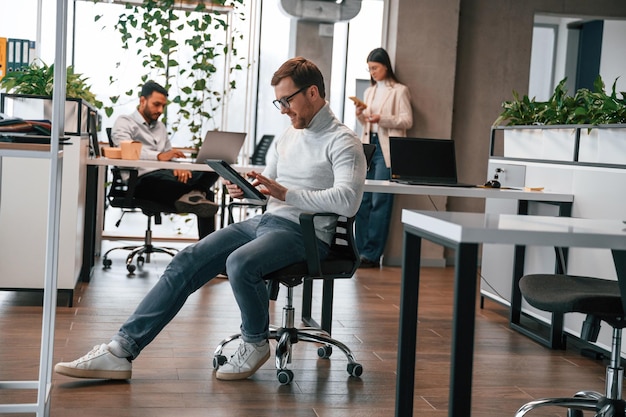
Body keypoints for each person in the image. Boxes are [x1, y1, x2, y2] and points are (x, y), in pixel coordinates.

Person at [54, 57, 367, 381]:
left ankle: (255, 342)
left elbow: (347, 201)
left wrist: (286, 194)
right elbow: (272, 189)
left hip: (306, 233)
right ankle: (121, 351)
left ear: (313, 92)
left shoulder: (343, 141)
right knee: (188, 259)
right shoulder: (288, 135)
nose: (283, 109)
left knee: (240, 262)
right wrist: (250, 190)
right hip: (268, 222)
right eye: (279, 102)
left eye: (287, 100)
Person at [111, 80, 219, 239]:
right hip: (142, 180)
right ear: (143, 100)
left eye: (163, 106)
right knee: (205, 196)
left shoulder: (160, 127)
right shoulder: (125, 122)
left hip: (167, 176)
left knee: (214, 165)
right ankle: (196, 195)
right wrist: (159, 157)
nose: (160, 110)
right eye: (156, 104)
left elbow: (168, 155)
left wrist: (177, 167)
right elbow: (124, 149)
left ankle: (196, 196)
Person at [353, 47, 413, 268]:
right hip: (369, 148)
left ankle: (371, 254)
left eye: (375, 68)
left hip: (386, 150)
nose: (372, 72)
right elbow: (367, 125)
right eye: (369, 69)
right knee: (363, 200)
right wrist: (361, 116)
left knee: (381, 201)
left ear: (386, 66)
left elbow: (407, 121)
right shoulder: (369, 92)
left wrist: (382, 118)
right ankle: (358, 250)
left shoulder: (399, 90)